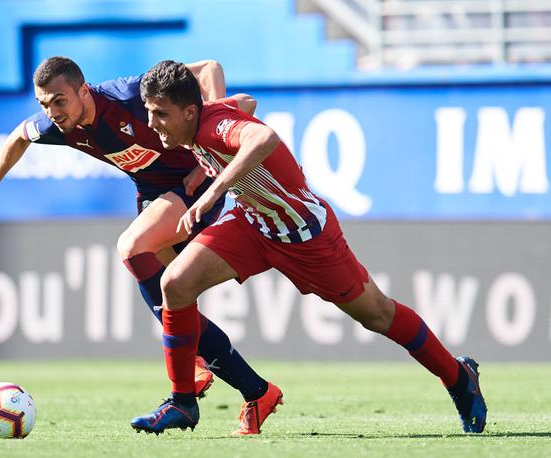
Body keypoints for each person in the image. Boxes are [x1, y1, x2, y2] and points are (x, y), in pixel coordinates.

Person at [130, 60, 487, 435]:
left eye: (160, 114)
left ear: (189, 111)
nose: (153, 123)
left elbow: (262, 139)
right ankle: (183, 402)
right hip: (253, 223)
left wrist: (213, 189)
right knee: (175, 284)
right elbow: (246, 103)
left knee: (378, 315)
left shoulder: (213, 125)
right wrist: (212, 149)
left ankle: (458, 376)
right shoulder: (204, 120)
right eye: (149, 112)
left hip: (305, 235)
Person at [0, 56, 279, 435]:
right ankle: (256, 391)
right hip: (154, 196)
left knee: (131, 247)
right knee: (174, 296)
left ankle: (188, 374)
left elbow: (210, 68)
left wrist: (206, 141)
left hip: (196, 187)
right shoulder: (59, 125)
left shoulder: (127, 94)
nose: (52, 111)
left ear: (83, 91)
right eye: (44, 103)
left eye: (59, 100)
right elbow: (18, 137)